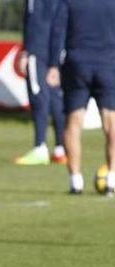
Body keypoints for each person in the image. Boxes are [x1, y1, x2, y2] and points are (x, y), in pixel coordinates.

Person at [47, 0, 115, 194]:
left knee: (74, 121)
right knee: (111, 122)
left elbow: (57, 32)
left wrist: (53, 65)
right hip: (108, 64)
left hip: (77, 65)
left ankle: (75, 181)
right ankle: (112, 177)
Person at [14, 0, 67, 166]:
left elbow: (37, 25)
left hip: (39, 53)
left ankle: (40, 147)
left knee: (40, 99)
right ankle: (61, 149)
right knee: (55, 99)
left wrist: (29, 51)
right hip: (53, 52)